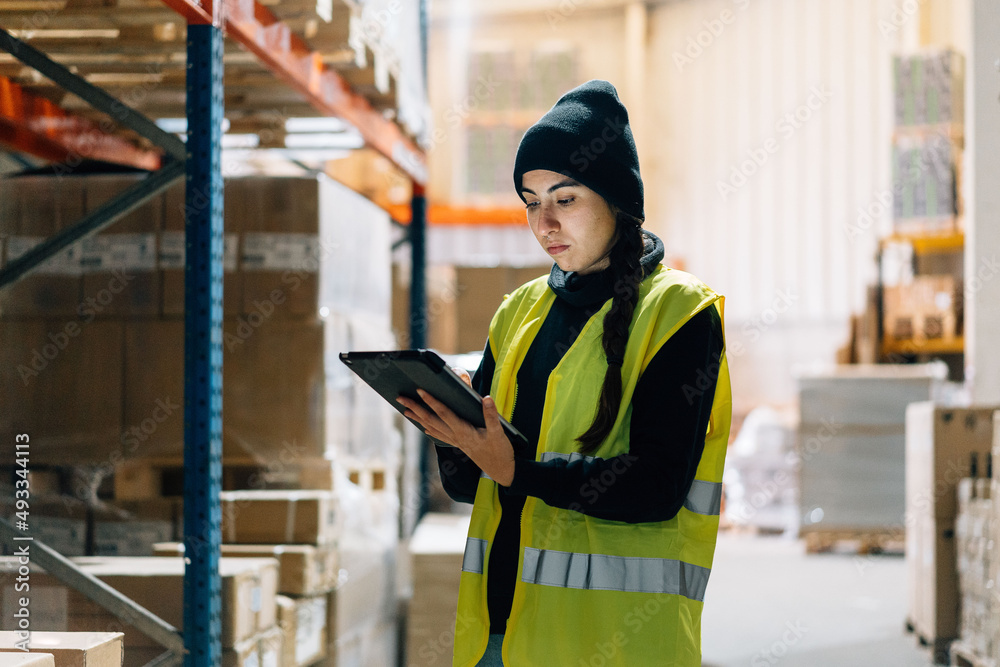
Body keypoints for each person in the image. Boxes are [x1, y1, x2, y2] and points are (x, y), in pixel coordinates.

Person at [398, 79, 731, 667]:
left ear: (616, 199)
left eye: (565, 198)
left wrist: (517, 469)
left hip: (617, 646)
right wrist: (452, 439)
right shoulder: (518, 313)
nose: (543, 222)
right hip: (499, 636)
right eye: (530, 201)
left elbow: (657, 487)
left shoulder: (679, 314)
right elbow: (474, 485)